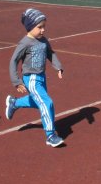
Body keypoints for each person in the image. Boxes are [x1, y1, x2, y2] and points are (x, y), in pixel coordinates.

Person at [5, 8, 65, 147]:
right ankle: (50, 135)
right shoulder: (25, 43)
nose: (43, 30)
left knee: (37, 101)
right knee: (46, 103)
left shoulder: (43, 40)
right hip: (31, 78)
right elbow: (13, 61)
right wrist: (16, 81)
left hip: (42, 77)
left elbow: (50, 53)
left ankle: (14, 103)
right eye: (39, 27)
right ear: (30, 27)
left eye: (44, 26)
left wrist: (58, 67)